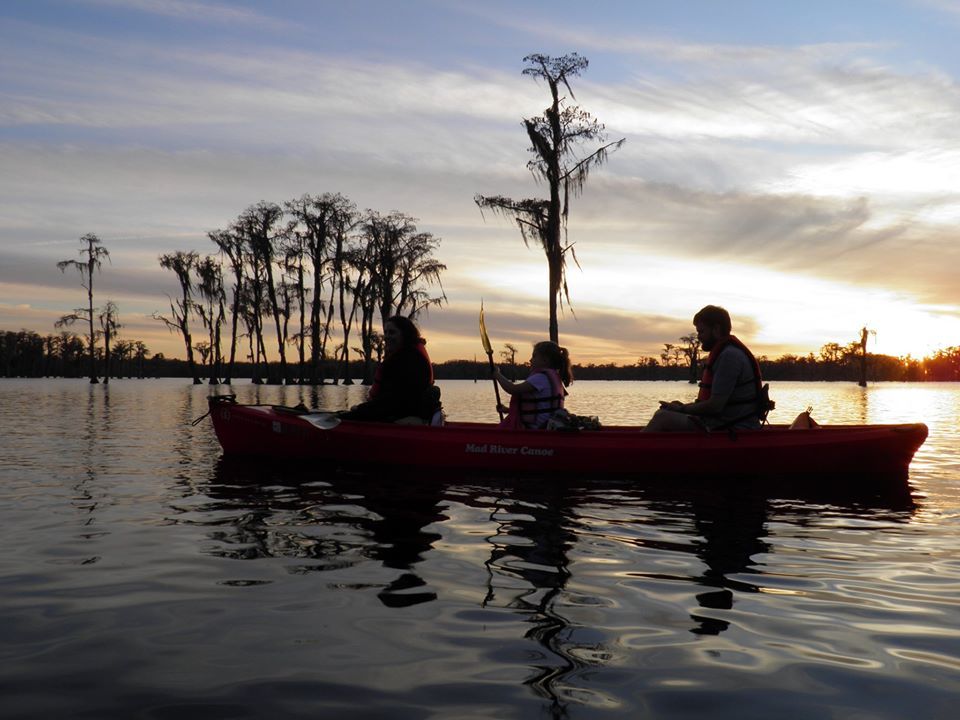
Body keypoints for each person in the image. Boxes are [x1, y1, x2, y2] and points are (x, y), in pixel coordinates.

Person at [645, 305, 765, 432]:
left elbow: (715, 406)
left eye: (701, 331)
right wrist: (681, 406)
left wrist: (682, 409)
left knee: (661, 417)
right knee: (667, 410)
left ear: (716, 329)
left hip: (733, 428)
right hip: (719, 423)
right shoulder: (726, 353)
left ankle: (636, 448)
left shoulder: (729, 356)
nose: (699, 336)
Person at [340, 315, 441, 424]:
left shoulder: (409, 359)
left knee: (344, 417)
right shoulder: (407, 356)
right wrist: (363, 408)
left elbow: (393, 400)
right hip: (403, 411)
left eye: (392, 332)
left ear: (405, 334)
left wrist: (361, 410)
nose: (387, 336)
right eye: (386, 332)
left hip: (404, 415)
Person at [494, 341, 573, 429]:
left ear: (545, 360)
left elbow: (512, 389)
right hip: (545, 427)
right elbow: (542, 408)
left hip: (536, 429)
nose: (531, 360)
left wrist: (497, 374)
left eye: (534, 356)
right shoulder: (554, 377)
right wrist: (509, 410)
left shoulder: (540, 378)